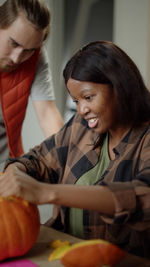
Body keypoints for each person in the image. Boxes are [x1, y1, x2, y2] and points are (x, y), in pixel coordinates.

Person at [1, 40, 150, 258]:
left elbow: (143, 197)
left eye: (88, 97)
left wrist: (47, 193)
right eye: (76, 101)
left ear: (119, 87)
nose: (81, 110)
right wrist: (16, 173)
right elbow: (38, 159)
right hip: (64, 252)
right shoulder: (81, 127)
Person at [0, 0, 64, 167]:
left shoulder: (36, 59)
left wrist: (69, 158)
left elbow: (47, 114)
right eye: (14, 43)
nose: (17, 58)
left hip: (8, 168)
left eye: (29, 50)